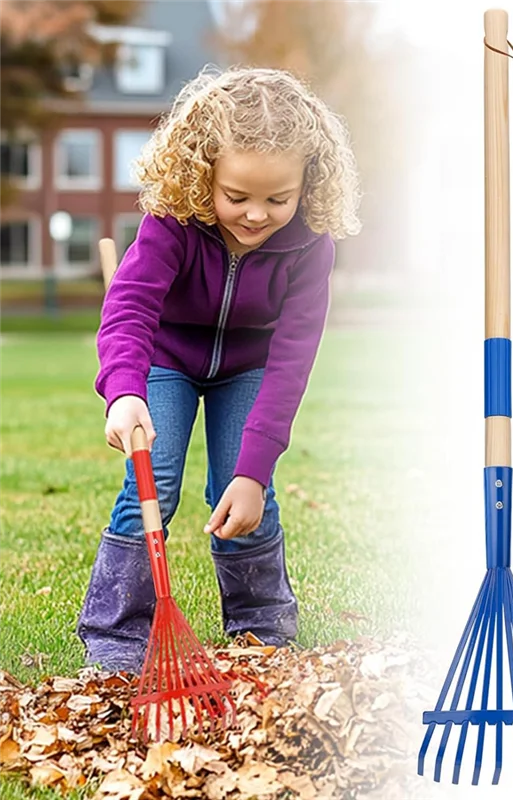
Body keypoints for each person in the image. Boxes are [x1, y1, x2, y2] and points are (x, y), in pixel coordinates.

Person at [77, 66, 361, 672]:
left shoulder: (311, 244)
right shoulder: (172, 222)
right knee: (155, 481)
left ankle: (261, 625)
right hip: (167, 360)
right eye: (237, 196)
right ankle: (117, 633)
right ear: (203, 173)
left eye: (277, 199)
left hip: (249, 366)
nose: (256, 215)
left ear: (307, 185)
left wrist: (255, 469)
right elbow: (129, 310)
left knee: (244, 487)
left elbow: (292, 359)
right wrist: (124, 393)